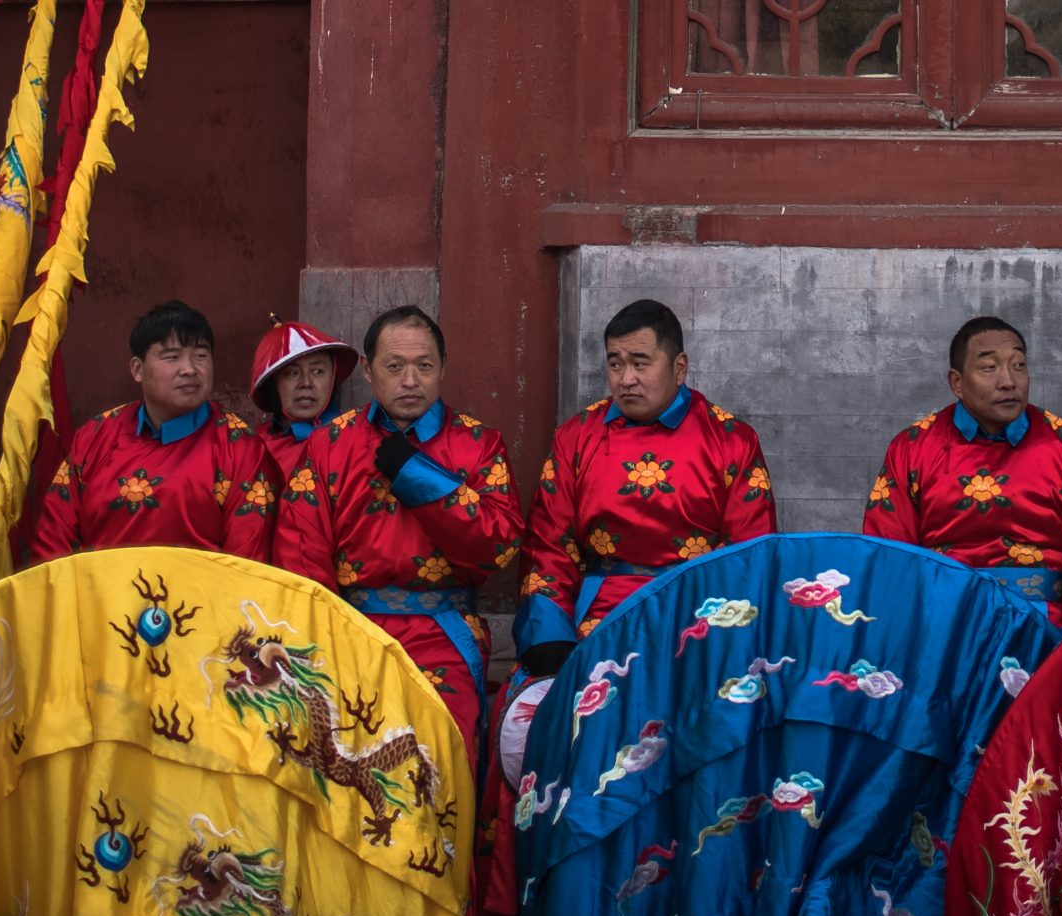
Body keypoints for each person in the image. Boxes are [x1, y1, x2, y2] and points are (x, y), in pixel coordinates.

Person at [274, 306, 520, 759]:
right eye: (395, 366)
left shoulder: (479, 443)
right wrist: (323, 644)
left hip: (444, 631)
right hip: (348, 632)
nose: (411, 380)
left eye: (424, 366)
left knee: (443, 757)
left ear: (443, 366)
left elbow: (496, 549)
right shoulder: (330, 444)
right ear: (368, 370)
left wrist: (413, 474)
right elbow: (301, 555)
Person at [513, 298, 776, 677]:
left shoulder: (732, 440)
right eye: (615, 363)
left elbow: (751, 554)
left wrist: (720, 636)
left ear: (679, 367)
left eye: (639, 363)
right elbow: (548, 545)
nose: (625, 379)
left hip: (696, 613)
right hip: (598, 614)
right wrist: (550, 639)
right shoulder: (577, 436)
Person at [858, 314, 1062, 628]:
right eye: (989, 367)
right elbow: (889, 556)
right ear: (956, 383)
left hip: (1047, 627)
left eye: (1018, 365)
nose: (1009, 381)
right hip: (941, 627)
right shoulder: (913, 448)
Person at [28, 300, 280, 563]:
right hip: (98, 600)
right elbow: (53, 547)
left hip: (199, 603)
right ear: (138, 369)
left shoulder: (241, 447)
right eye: (172, 357)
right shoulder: (95, 436)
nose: (190, 369)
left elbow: (249, 566)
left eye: (200, 356)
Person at [248, 317, 356, 471]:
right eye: (292, 373)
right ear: (273, 384)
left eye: (318, 371)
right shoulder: (253, 448)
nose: (306, 383)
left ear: (332, 380)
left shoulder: (356, 439)